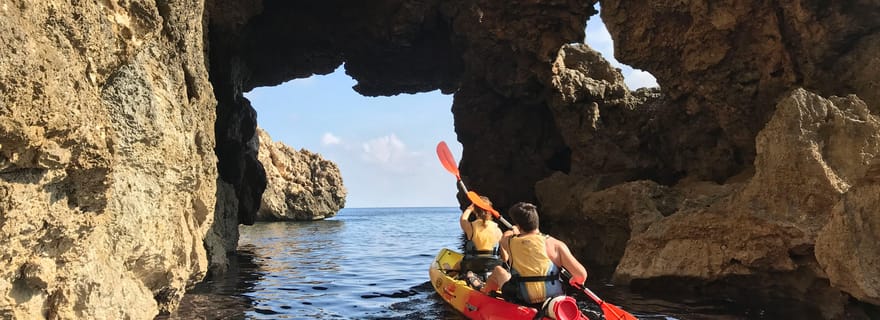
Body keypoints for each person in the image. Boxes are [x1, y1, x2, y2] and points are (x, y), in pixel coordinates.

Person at [482, 202, 588, 305]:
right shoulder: (556, 244)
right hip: (554, 301)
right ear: (536, 221)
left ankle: (484, 294)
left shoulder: (510, 242)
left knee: (498, 271)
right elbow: (581, 275)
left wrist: (514, 231)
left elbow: (504, 238)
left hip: (523, 299)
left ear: (519, 225)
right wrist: (574, 280)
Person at [458, 197, 505, 290]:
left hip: (472, 265)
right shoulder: (498, 230)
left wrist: (469, 208)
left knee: (458, 264)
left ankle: (469, 278)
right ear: (490, 211)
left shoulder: (470, 227)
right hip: (492, 266)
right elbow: (505, 257)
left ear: (475, 211)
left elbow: (463, 219)